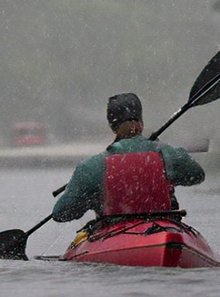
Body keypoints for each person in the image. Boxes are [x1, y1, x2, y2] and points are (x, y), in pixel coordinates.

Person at [51, 93, 205, 223]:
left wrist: (91, 196)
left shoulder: (92, 166)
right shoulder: (167, 154)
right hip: (164, 227)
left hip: (114, 231)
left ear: (112, 126)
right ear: (141, 123)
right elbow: (197, 175)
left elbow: (60, 214)